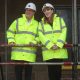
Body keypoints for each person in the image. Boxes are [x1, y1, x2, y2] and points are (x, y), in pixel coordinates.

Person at [7, 2, 38, 80]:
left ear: (34, 12)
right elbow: (10, 31)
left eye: (30, 10)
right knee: (18, 76)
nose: (28, 11)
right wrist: (11, 41)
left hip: (29, 55)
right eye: (27, 10)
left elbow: (39, 37)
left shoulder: (37, 24)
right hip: (18, 54)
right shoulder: (17, 21)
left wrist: (34, 42)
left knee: (28, 76)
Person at [38, 3, 68, 80]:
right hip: (49, 52)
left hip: (59, 51)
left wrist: (58, 44)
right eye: (44, 10)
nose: (46, 12)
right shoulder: (41, 23)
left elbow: (64, 31)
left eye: (48, 9)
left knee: (58, 73)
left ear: (52, 10)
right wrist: (50, 45)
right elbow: (41, 35)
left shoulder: (60, 20)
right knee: (51, 73)